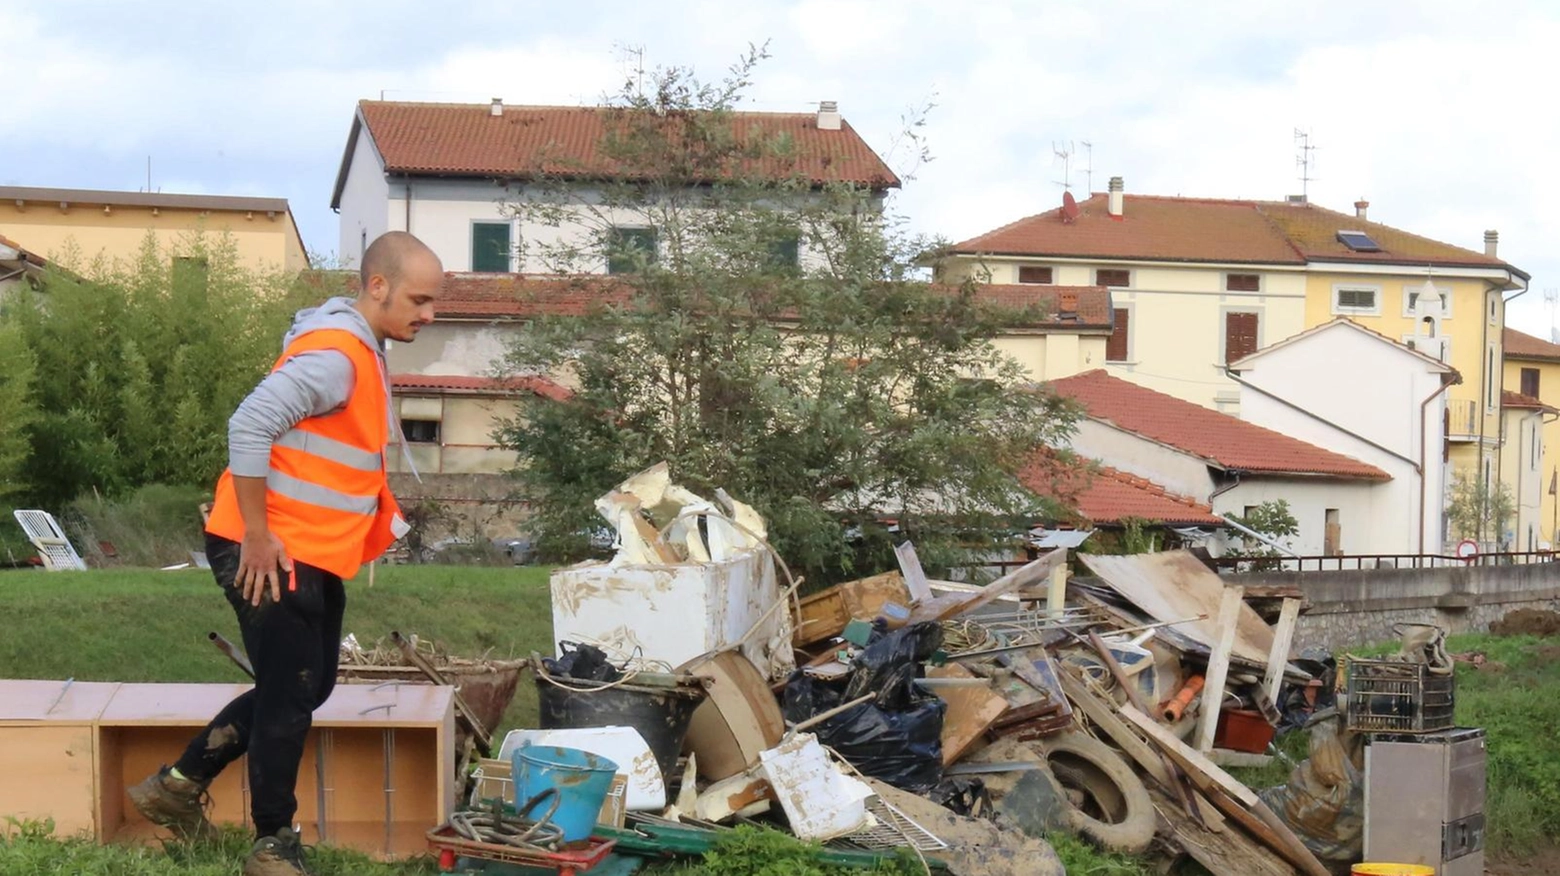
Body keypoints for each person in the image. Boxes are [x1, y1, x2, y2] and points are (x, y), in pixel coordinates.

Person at [126, 231, 443, 875]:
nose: (428, 314)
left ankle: (179, 785)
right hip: (268, 546)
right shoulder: (337, 356)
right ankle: (273, 843)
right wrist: (258, 534)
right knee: (291, 694)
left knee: (307, 684)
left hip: (307, 548)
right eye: (419, 299)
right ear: (376, 286)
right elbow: (248, 424)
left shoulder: (358, 350)